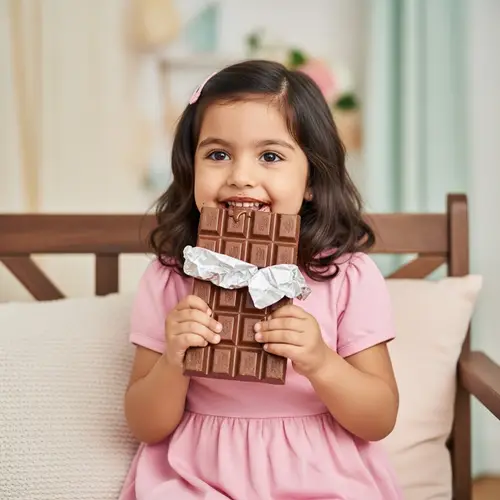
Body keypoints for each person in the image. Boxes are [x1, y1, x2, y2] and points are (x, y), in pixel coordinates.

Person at [120, 59, 402, 500]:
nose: (241, 177)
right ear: (191, 168)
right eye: (217, 154)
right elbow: (144, 424)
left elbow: (379, 417)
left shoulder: (348, 276)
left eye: (270, 156)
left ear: (311, 178)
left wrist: (321, 361)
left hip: (318, 473)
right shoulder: (171, 276)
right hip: (200, 474)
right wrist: (173, 359)